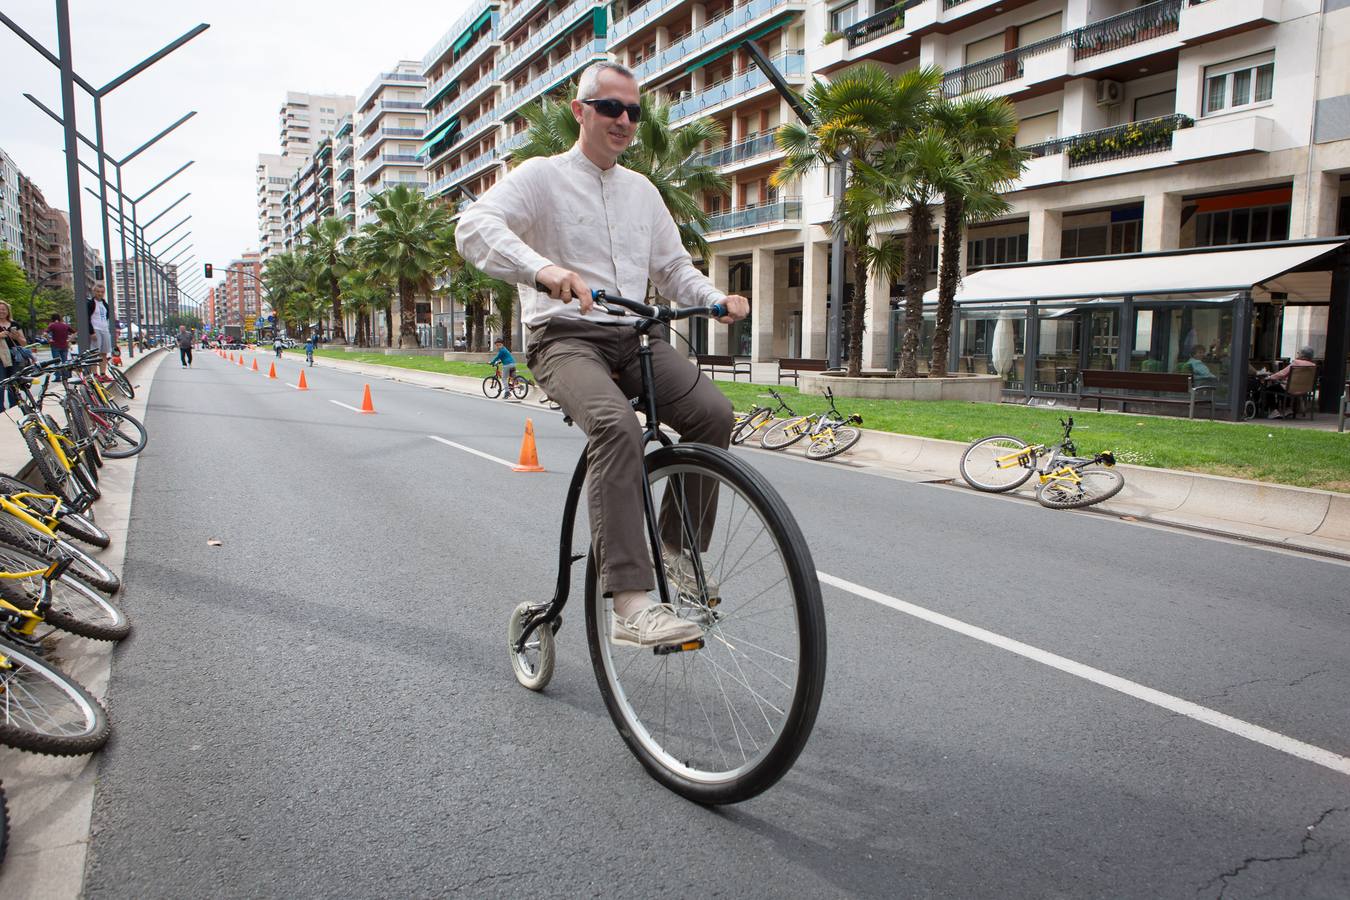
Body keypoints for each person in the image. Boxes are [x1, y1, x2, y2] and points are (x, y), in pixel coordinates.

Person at [457, 61, 749, 648]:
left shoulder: (641, 191)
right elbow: (474, 225)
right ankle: (631, 603)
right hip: (564, 338)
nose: (623, 120)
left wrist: (714, 298)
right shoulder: (540, 177)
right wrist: (544, 271)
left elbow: (671, 268)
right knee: (615, 428)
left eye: (633, 112)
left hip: (633, 336)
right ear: (580, 110)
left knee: (714, 414)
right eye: (610, 107)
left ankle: (675, 551)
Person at [1264, 346, 1317, 419]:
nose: (1298, 354)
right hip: (1304, 389)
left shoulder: (1296, 363)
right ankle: (1287, 409)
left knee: (1269, 389)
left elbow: (1282, 374)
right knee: (1282, 388)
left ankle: (1274, 411)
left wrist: (1270, 377)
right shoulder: (1313, 366)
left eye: (1299, 352)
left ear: (1302, 355)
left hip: (1290, 388)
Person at [0, 302, 28, 410]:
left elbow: (24, 343)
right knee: (1, 384)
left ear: (8, 311)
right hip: (1, 358)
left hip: (15, 357)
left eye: (4, 309)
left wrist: (16, 337)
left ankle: (14, 407)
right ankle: (1, 410)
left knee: (14, 384)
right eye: (0, 309)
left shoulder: (15, 324)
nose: (1, 311)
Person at [87, 282, 115, 382]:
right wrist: (91, 332)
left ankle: (103, 374)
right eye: (98, 292)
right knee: (95, 353)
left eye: (102, 292)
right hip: (96, 329)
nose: (100, 294)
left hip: (105, 329)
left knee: (104, 353)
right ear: (94, 292)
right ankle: (95, 374)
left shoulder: (105, 304)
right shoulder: (90, 303)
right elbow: (87, 318)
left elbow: (107, 316)